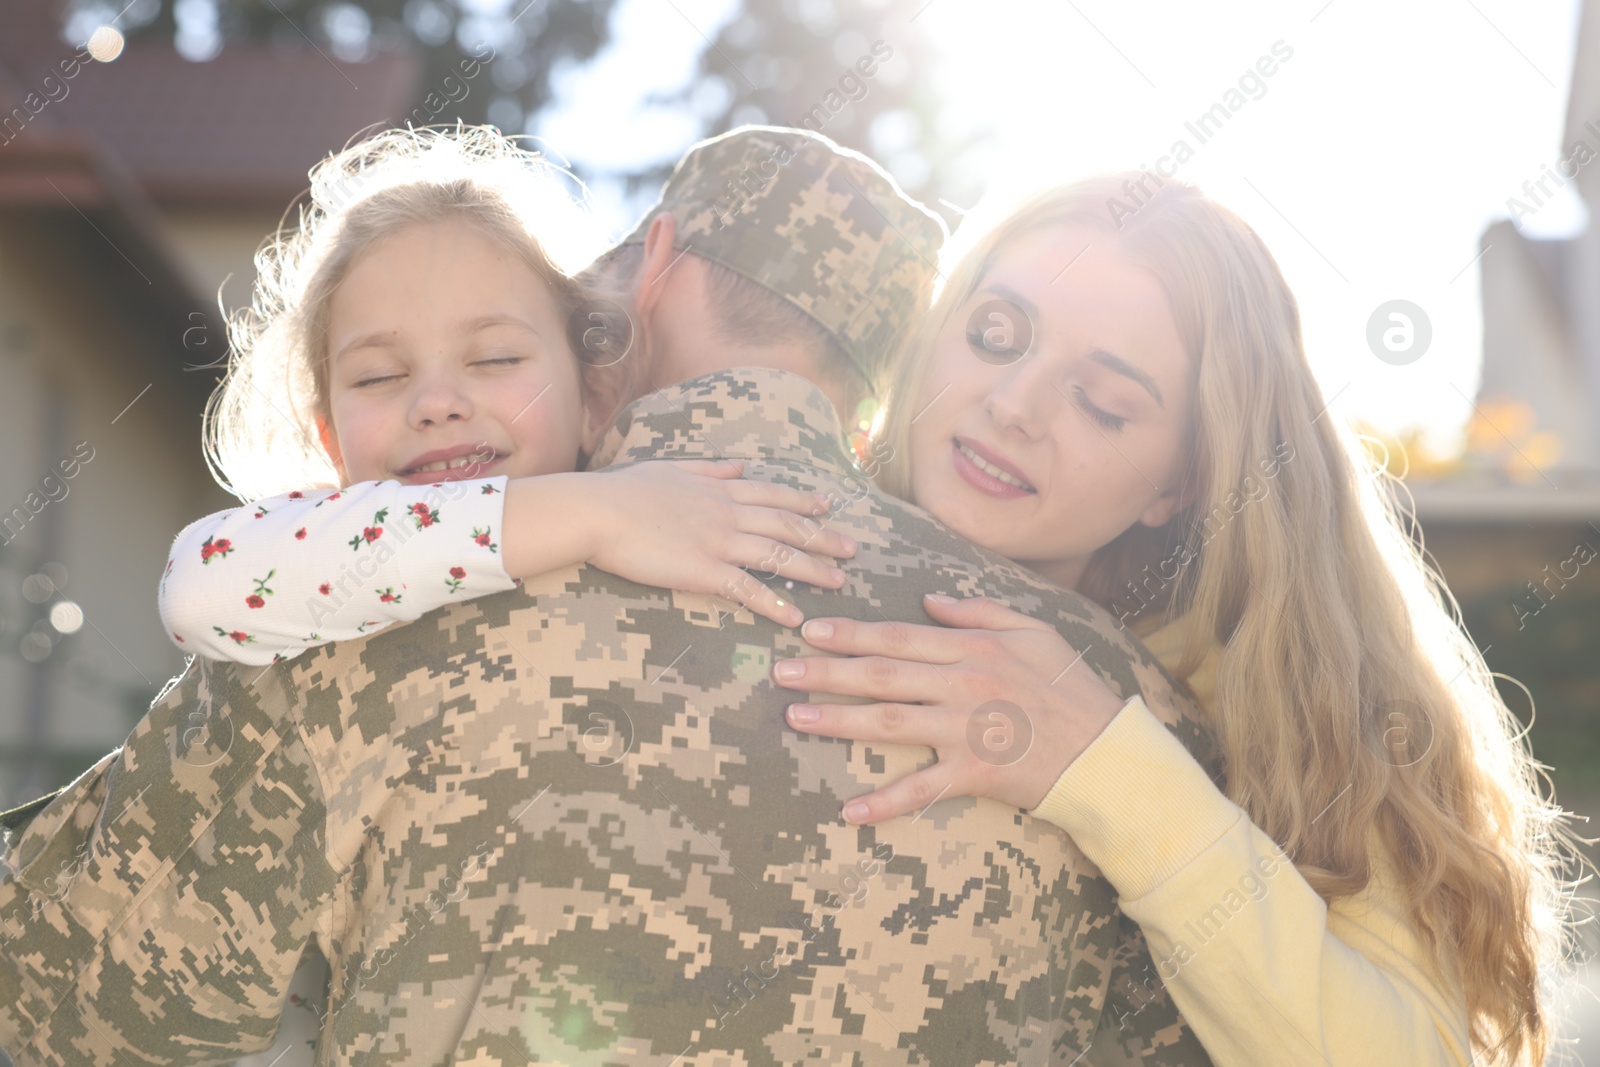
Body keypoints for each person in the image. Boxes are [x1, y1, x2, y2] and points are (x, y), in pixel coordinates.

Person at [0, 129, 1220, 1065]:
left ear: (657, 268)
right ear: (883, 382)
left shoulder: (377, 596)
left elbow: (55, 998)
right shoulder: (1107, 704)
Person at [768, 176, 1592, 1066]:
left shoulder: (1291, 700)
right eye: (995, 334)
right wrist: (595, 513)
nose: (1013, 405)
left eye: (1103, 402)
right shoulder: (752, 523)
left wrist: (1109, 769)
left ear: (1179, 482)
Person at [158, 126, 856, 667]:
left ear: (593, 395)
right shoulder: (330, 559)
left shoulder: (665, 530)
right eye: (377, 376)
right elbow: (198, 587)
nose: (436, 401)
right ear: (331, 439)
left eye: (493, 357)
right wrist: (601, 512)